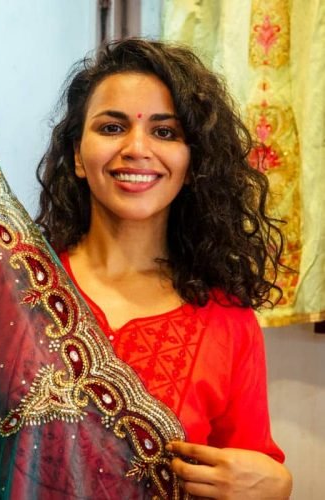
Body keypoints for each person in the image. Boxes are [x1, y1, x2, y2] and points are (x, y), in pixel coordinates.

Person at [34, 38, 293, 499]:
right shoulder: (18, 281)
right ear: (77, 155)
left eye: (166, 132)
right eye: (112, 128)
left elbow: (250, 469)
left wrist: (277, 486)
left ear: (193, 164)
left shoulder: (227, 321)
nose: (137, 148)